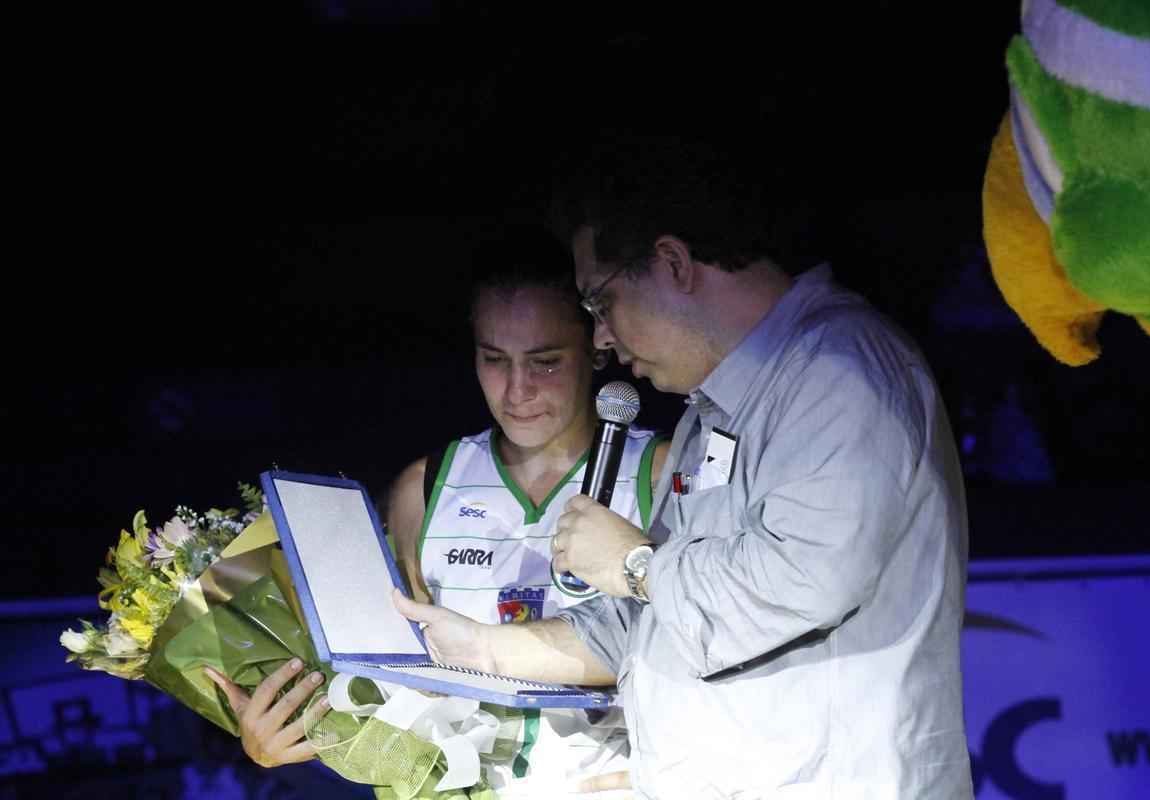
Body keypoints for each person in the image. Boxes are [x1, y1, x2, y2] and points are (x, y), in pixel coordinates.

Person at [393, 135, 974, 799]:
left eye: (600, 302)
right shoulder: (717, 405)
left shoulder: (839, 372)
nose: (602, 334)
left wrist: (636, 564)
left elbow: (799, 581)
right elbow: (652, 619)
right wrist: (480, 648)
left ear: (672, 263)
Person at [207, 225, 670, 796]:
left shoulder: (660, 471)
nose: (517, 390)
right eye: (494, 359)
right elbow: (394, 687)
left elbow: (706, 641)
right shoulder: (424, 488)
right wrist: (290, 731)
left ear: (597, 345)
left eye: (546, 361)